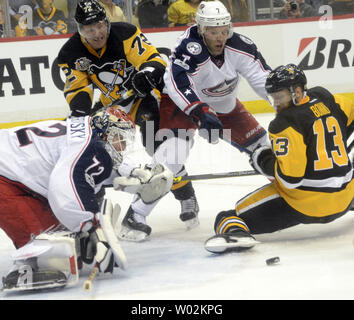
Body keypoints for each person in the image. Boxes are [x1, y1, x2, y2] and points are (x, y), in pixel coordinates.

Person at [118, 1, 272, 242]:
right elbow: (177, 83)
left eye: (224, 30)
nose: (220, 37)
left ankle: (303, 189)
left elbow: (262, 79)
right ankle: (135, 215)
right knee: (169, 158)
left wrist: (284, 103)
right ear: (201, 29)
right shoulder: (188, 46)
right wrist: (199, 111)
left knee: (267, 149)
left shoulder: (241, 45)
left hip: (225, 107)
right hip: (183, 106)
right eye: (213, 32)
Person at [0, 107, 173, 292]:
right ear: (105, 132)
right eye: (119, 137)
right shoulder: (88, 145)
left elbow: (91, 164)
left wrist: (133, 170)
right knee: (48, 245)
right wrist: (91, 225)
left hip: (15, 174)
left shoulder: (86, 136)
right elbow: (65, 187)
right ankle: (23, 269)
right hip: (6, 177)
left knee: (65, 244)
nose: (122, 146)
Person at [204, 64, 354, 254]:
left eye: (280, 96)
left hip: (307, 206)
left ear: (297, 92)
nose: (276, 103)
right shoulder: (327, 99)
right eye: (273, 97)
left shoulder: (284, 123)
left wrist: (263, 159)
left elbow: (290, 179)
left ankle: (236, 232)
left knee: (227, 217)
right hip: (345, 198)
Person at [57, 0, 166, 156]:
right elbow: (78, 88)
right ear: (81, 30)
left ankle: (171, 173)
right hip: (111, 103)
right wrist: (81, 111)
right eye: (90, 30)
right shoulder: (71, 53)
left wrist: (146, 73)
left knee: (152, 138)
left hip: (143, 96)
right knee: (96, 146)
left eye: (100, 26)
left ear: (107, 22)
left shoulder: (125, 34)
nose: (97, 34)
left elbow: (154, 58)